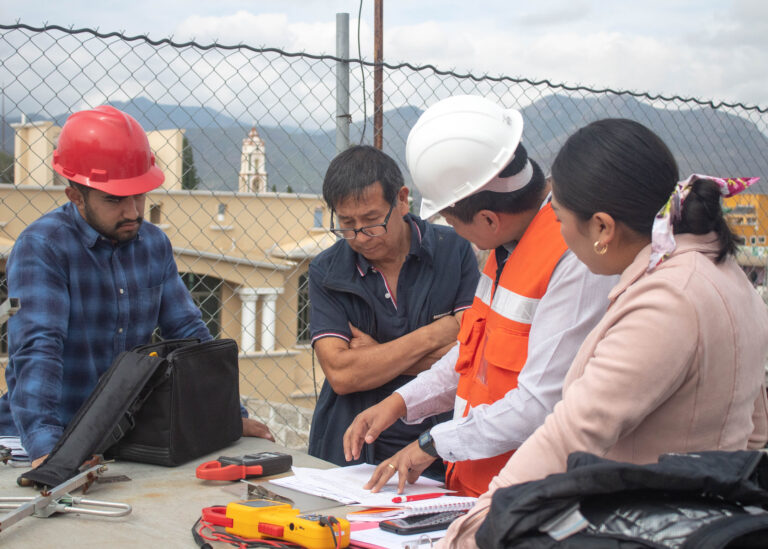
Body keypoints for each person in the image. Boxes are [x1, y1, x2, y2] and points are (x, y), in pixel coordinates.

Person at [439, 118, 768, 547]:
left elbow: (572, 434)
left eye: (560, 219)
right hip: (703, 522)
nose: (559, 233)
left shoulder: (665, 302)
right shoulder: (723, 275)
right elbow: (755, 424)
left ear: (602, 228)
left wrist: (471, 532)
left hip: (648, 525)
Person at [343, 95, 617, 496]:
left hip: (527, 497)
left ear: (489, 218)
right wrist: (401, 402)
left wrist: (431, 443)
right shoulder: (507, 246)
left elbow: (541, 402)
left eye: (453, 221)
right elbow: (473, 356)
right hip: (478, 487)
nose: (455, 233)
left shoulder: (573, 261)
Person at [0, 105, 273, 467]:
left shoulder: (153, 244)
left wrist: (229, 413)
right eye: (114, 199)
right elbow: (37, 349)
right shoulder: (44, 247)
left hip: (120, 436)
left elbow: (191, 334)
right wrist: (49, 451)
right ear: (76, 196)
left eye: (139, 194)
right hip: (41, 438)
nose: (132, 212)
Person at [307, 145, 479, 477]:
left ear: (402, 199)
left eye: (372, 220)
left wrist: (376, 355)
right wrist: (439, 332)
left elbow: (474, 356)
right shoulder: (327, 270)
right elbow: (343, 375)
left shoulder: (453, 250)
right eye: (347, 223)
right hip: (354, 444)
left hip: (439, 444)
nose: (360, 236)